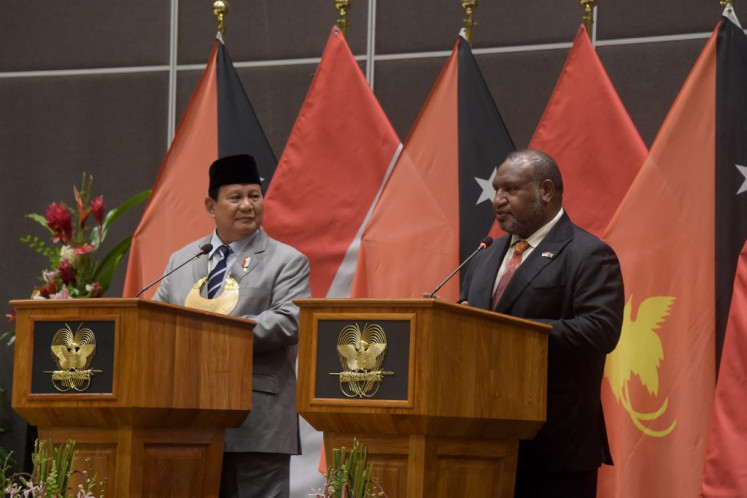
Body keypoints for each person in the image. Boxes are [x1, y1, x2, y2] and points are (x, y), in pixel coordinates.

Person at [459, 148, 624, 497]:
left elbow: (600, 330)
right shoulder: (484, 256)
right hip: (480, 442)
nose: (498, 200)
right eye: (496, 189)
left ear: (546, 191)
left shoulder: (588, 254)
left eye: (510, 190)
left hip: (555, 448)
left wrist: (509, 334)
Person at [153, 154, 311, 498]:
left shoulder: (287, 260)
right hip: (188, 416)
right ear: (211, 205)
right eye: (235, 197)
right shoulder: (182, 260)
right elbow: (154, 323)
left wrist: (217, 335)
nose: (247, 206)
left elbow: (291, 320)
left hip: (257, 419)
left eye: (254, 196)